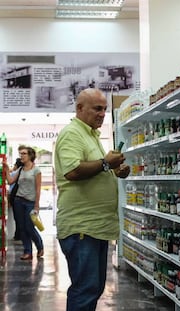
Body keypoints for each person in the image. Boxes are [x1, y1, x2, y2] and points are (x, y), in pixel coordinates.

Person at [54, 88, 130, 311]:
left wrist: (114, 170)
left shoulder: (91, 136)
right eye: (97, 108)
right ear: (80, 108)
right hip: (81, 227)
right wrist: (106, 163)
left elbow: (94, 168)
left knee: (93, 287)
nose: (102, 113)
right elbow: (73, 171)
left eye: (105, 109)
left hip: (95, 227)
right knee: (86, 288)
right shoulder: (72, 133)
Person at [4, 146, 44, 260]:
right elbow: (10, 181)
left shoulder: (36, 170)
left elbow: (38, 189)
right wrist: (7, 170)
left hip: (30, 202)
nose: (21, 155)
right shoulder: (20, 170)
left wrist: (37, 205)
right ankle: (28, 251)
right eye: (20, 153)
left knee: (29, 227)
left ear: (30, 156)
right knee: (21, 227)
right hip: (18, 201)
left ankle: (39, 245)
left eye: (24, 153)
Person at [8, 157, 23, 241]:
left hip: (14, 197)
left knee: (17, 218)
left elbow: (9, 179)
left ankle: (18, 235)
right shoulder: (21, 172)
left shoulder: (15, 173)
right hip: (18, 197)